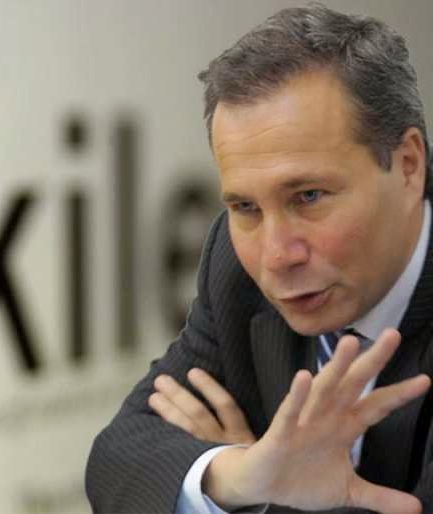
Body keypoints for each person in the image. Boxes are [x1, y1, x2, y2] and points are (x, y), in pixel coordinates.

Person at [86, 4, 433, 514]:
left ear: (408, 165)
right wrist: (243, 473)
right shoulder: (235, 265)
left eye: (308, 196)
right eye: (245, 207)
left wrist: (266, 502)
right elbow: (118, 459)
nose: (275, 256)